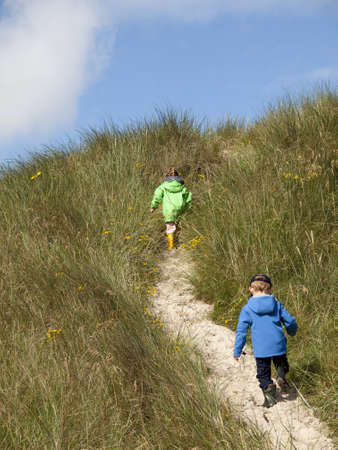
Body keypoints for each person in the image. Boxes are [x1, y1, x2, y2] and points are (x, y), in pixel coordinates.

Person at [233, 274, 298, 408]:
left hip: (261, 349)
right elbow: (290, 321)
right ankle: (281, 375)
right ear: (270, 290)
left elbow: (241, 332)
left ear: (251, 289)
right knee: (281, 362)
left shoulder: (247, 309)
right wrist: (292, 331)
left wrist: (237, 350)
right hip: (278, 344)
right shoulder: (277, 305)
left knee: (263, 373)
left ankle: (269, 395)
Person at [150, 168, 192, 250]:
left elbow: (157, 196)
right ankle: (176, 241)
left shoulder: (163, 186)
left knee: (170, 227)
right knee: (178, 226)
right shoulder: (182, 187)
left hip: (168, 209)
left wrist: (153, 206)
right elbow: (188, 198)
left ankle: (171, 246)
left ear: (167, 177)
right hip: (180, 209)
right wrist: (188, 208)